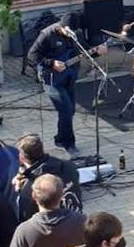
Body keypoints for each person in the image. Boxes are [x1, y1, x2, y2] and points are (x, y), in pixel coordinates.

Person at [28, 11, 107, 155]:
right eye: (68, 32)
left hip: (69, 76)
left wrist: (97, 52)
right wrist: (51, 63)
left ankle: (59, 138)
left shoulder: (76, 34)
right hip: (52, 79)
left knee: (70, 111)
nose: (71, 34)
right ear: (62, 26)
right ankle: (69, 144)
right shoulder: (47, 34)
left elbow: (85, 51)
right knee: (65, 110)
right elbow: (32, 55)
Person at [12, 134, 81, 222]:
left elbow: (27, 220)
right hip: (77, 220)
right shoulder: (68, 166)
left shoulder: (31, 189)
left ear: (21, 158)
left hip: (57, 227)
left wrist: (19, 192)